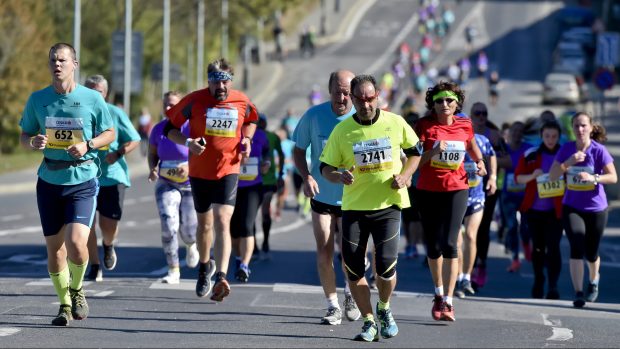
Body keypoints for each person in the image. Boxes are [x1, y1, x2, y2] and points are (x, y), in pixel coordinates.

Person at [19, 43, 115, 326]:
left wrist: (88, 145)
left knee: (76, 243)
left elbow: (109, 133)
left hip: (82, 178)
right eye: (53, 60)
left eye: (62, 60)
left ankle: (77, 290)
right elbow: (25, 134)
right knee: (55, 251)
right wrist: (33, 142)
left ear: (75, 64)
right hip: (49, 180)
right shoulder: (38, 99)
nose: (57, 65)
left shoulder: (92, 99)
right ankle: (63, 304)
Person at [320, 74, 420, 341]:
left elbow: (415, 152)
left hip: (388, 204)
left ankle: (384, 308)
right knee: (352, 268)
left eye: (370, 98)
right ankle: (368, 321)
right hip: (354, 208)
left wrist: (406, 175)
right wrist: (338, 176)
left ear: (378, 96)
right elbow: (325, 167)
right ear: (351, 99)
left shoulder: (395, 123)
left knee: (385, 267)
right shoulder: (342, 131)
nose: (365, 104)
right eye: (360, 99)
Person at [164, 58, 259, 302]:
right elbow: (169, 128)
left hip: (229, 168)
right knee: (204, 225)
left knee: (222, 221)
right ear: (209, 82)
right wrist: (188, 143)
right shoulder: (194, 100)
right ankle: (205, 267)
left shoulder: (241, 100)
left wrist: (247, 139)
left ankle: (222, 277)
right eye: (216, 82)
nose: (221, 87)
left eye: (225, 82)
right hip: (199, 172)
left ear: (230, 82)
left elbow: (251, 121)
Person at [292, 70, 361, 325]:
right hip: (322, 194)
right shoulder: (313, 116)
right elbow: (299, 151)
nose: (341, 98)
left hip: (354, 197)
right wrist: (306, 177)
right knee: (324, 250)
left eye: (346, 93)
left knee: (350, 253)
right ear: (329, 91)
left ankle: (350, 294)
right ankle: (332, 305)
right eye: (337, 92)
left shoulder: (362, 117)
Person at [414, 81, 486, 322]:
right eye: (439, 101)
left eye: (449, 100)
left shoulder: (465, 124)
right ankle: (437, 293)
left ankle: (449, 301)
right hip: (428, 190)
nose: (444, 105)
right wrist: (433, 152)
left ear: (457, 103)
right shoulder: (423, 126)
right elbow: (412, 161)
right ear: (432, 105)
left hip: (457, 188)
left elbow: (472, 146)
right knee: (433, 247)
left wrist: (480, 162)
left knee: (450, 243)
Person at [550, 111, 617, 308]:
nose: (580, 129)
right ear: (572, 128)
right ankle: (578, 292)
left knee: (592, 251)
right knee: (576, 245)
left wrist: (594, 178)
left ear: (590, 127)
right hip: (572, 207)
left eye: (583, 125)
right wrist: (568, 163)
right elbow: (552, 176)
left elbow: (613, 177)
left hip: (597, 208)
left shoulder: (599, 150)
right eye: (576, 126)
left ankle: (593, 280)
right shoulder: (566, 149)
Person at [83, 75, 141, 282]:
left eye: (97, 91)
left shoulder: (115, 113)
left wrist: (117, 154)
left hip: (112, 176)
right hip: (86, 176)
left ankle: (108, 245)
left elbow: (135, 138)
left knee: (109, 225)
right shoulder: (79, 113)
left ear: (105, 94)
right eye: (88, 90)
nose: (92, 95)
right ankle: (95, 264)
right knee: (87, 224)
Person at [148, 91, 199, 284]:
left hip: (190, 185)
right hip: (166, 183)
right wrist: (152, 169)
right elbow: (152, 153)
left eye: (173, 105)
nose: (169, 108)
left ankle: (192, 244)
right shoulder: (158, 129)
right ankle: (173, 270)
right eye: (166, 105)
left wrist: (188, 166)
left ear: (181, 108)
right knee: (169, 225)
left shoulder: (192, 127)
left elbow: (204, 152)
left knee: (189, 230)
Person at [515, 121, 564, 299]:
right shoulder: (531, 155)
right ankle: (539, 280)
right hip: (534, 211)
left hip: (555, 211)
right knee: (538, 248)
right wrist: (532, 176)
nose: (550, 140)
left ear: (559, 137)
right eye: (547, 136)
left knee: (553, 248)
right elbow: (518, 177)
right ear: (541, 136)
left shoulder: (564, 154)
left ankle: (553, 286)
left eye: (554, 136)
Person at [469, 102, 508, 289]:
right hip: (465, 187)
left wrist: (485, 161)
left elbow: (507, 160)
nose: (481, 116)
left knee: (483, 228)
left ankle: (480, 264)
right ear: (471, 115)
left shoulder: (493, 135)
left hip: (487, 188)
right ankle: (464, 267)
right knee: (464, 231)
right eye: (477, 113)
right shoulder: (463, 131)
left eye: (484, 113)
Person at [455, 128, 497, 299]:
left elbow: (492, 154)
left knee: (471, 236)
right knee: (456, 241)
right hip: (456, 196)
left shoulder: (481, 140)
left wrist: (493, 177)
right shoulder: (453, 142)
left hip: (476, 196)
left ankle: (467, 277)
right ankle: (458, 278)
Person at [231, 120, 270, 282]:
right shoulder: (231, 131)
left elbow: (267, 152)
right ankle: (238, 258)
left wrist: (266, 162)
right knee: (234, 228)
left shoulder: (260, 135)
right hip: (231, 185)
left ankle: (244, 266)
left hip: (253, 185)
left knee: (247, 224)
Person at [257, 114, 285, 259]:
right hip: (256, 180)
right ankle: (259, 244)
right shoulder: (269, 136)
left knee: (263, 212)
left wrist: (281, 174)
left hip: (266, 181)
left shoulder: (272, 137)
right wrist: (280, 173)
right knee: (261, 213)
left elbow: (281, 155)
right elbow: (281, 155)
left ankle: (264, 243)